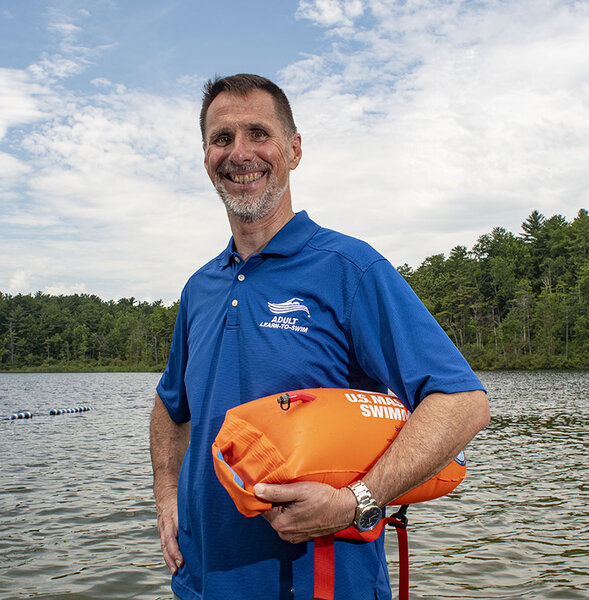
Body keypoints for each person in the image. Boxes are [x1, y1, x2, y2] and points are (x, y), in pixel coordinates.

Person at [149, 73, 490, 600]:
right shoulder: (199, 289)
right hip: (200, 583)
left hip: (325, 586)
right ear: (205, 157)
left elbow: (462, 402)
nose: (240, 154)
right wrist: (166, 496)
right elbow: (171, 407)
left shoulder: (350, 268)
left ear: (294, 149)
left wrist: (356, 501)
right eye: (222, 139)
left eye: (258, 134)